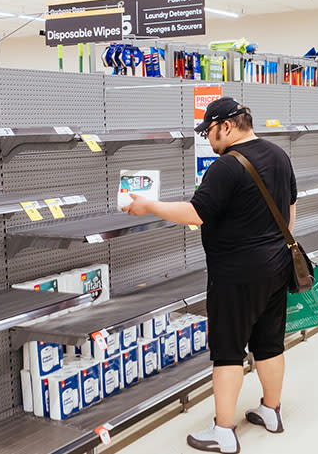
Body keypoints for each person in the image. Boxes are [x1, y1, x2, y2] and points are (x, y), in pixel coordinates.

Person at [122, 97, 297, 454]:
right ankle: (272, 411)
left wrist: (148, 206)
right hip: (278, 266)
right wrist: (275, 248)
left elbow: (195, 213)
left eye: (210, 132)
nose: (209, 139)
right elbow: (290, 208)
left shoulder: (226, 167)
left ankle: (224, 431)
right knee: (269, 342)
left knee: (228, 352)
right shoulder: (279, 155)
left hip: (235, 274)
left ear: (227, 126)